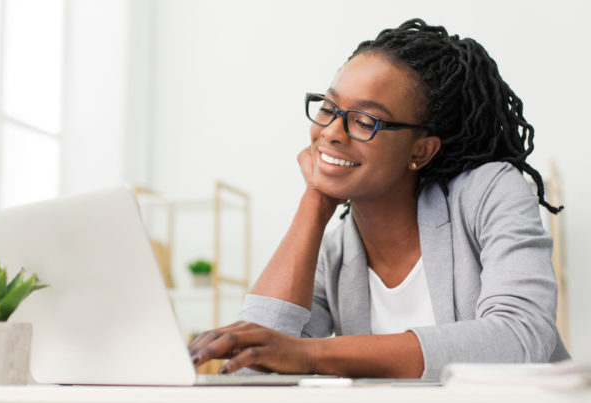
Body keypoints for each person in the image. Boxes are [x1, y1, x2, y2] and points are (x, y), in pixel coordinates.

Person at [187, 18, 570, 380]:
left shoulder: (489, 192)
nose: (333, 132)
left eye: (365, 121)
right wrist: (315, 202)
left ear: (420, 150)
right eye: (328, 109)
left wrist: (314, 354)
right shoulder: (333, 254)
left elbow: (521, 338)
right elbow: (253, 368)